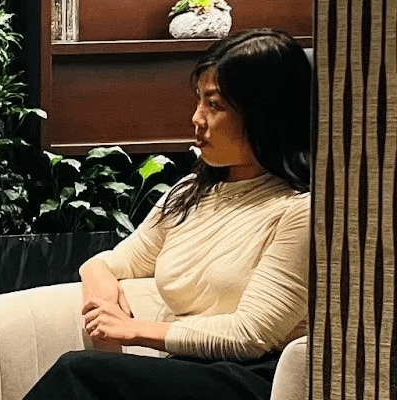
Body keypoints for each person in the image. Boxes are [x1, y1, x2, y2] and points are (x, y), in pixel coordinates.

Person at [23, 28, 311, 399]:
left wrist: (133, 329)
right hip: (184, 370)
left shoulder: (300, 210)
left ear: (264, 114)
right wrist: (98, 282)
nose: (197, 118)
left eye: (215, 105)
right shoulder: (188, 195)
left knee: (78, 372)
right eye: (197, 101)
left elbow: (250, 336)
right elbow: (115, 262)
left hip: (254, 380)